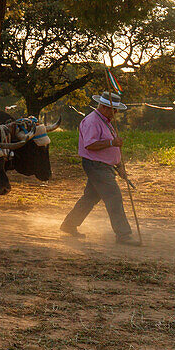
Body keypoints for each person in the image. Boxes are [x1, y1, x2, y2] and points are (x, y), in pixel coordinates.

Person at [60, 91, 140, 246]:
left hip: (104, 166)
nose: (116, 112)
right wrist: (112, 144)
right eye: (113, 109)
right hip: (96, 166)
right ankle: (123, 235)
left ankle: (69, 224)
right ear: (104, 107)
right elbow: (90, 144)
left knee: (90, 197)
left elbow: (112, 147)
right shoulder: (92, 121)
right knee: (114, 197)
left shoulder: (105, 121)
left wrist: (119, 166)